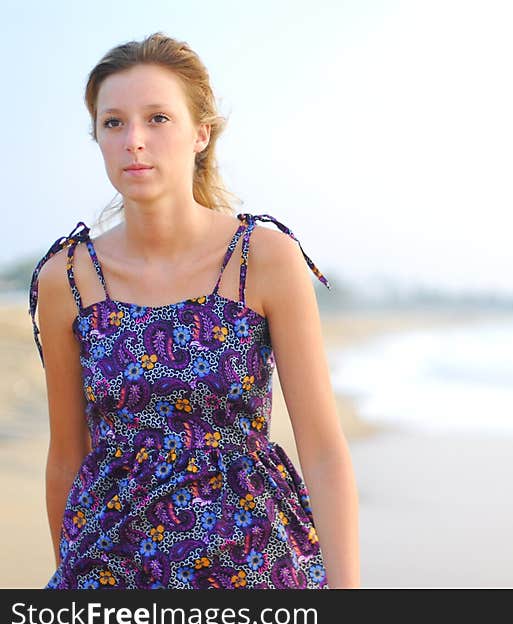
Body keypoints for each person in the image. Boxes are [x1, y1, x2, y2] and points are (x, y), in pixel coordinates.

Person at [28, 32, 360, 589]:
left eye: (158, 119)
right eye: (114, 123)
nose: (134, 140)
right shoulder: (66, 278)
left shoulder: (266, 258)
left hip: (257, 567)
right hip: (111, 575)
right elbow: (67, 455)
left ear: (200, 134)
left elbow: (323, 449)